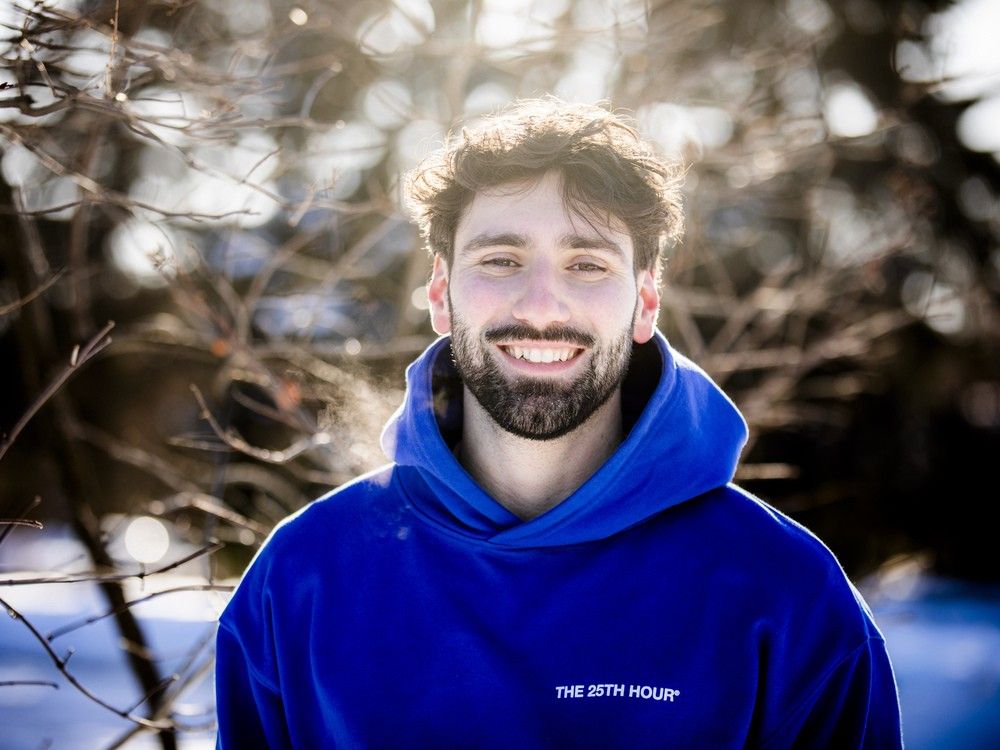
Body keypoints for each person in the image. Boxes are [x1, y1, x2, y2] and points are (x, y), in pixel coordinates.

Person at [215, 98, 903, 749]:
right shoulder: (303, 579)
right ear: (439, 291)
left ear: (645, 302)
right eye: (501, 260)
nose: (541, 305)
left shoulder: (783, 594)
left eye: (586, 264)